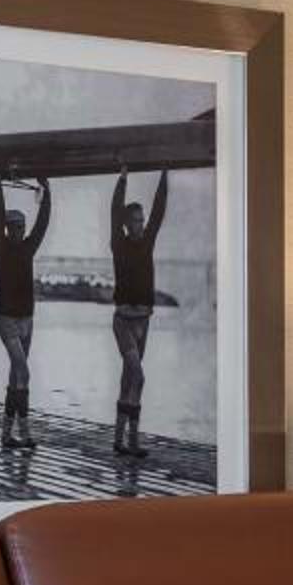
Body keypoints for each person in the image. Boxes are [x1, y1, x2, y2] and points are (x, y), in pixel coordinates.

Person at [106, 169, 170, 459]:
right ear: (126, 223)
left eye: (142, 220)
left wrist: (164, 174)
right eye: (135, 220)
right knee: (139, 377)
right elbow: (113, 211)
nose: (141, 224)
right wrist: (123, 178)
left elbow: (159, 210)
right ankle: (131, 440)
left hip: (144, 321)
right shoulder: (118, 244)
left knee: (128, 381)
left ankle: (120, 441)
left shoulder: (147, 241)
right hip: (123, 322)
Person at [0, 173, 51, 449]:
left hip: (28, 321)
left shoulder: (28, 248)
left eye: (22, 227)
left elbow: (43, 223)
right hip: (8, 322)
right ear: (7, 229)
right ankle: (24, 432)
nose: (20, 231)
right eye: (14, 227)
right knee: (24, 372)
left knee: (16, 376)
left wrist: (47, 191)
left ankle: (6, 435)